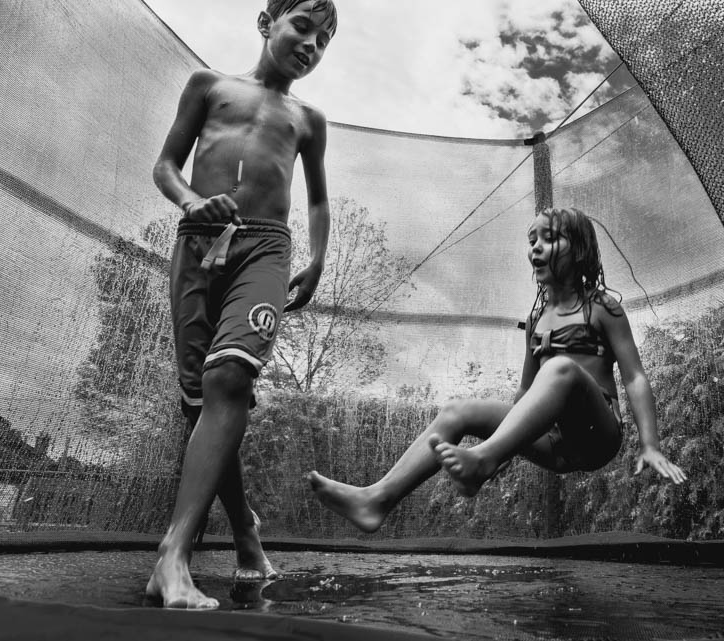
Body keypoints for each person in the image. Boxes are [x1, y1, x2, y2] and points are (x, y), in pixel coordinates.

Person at [308, 206, 686, 534]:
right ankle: (377, 499)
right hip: (553, 445)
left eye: (549, 239)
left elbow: (634, 376)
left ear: (580, 250)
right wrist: (507, 449)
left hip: (597, 435)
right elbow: (524, 398)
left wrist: (650, 445)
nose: (535, 247)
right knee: (458, 410)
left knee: (559, 369)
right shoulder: (537, 318)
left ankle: (482, 461)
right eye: (531, 239)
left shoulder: (602, 307)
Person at [146, 0, 337, 609]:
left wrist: (317, 259)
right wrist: (188, 203)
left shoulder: (309, 119)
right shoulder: (209, 87)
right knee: (198, 404)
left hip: (267, 250)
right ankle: (245, 530)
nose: (311, 43)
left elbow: (317, 201)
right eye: (302, 26)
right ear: (267, 23)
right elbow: (166, 167)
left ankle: (172, 557)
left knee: (229, 377)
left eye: (324, 39)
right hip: (197, 244)